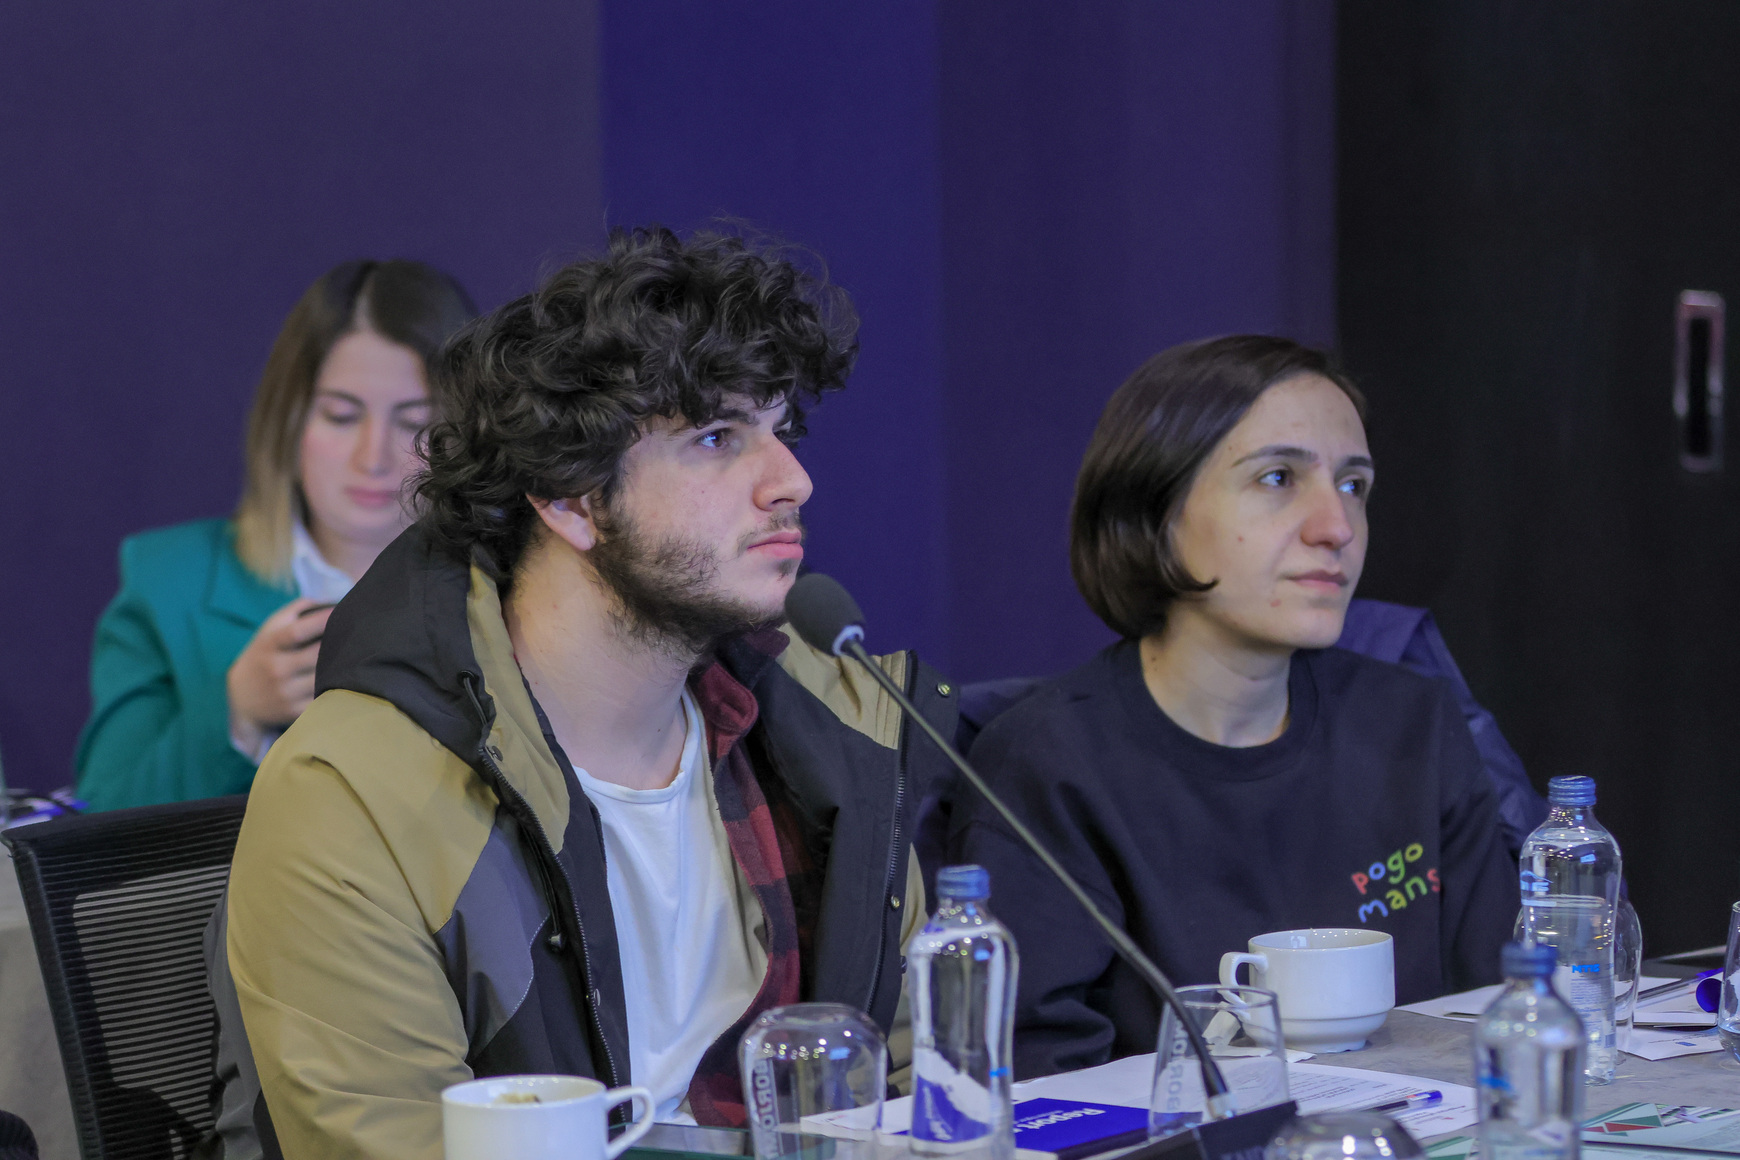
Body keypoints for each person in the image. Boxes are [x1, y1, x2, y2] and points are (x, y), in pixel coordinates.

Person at [205, 227, 954, 1160]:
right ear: (569, 497)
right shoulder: (353, 790)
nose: (791, 481)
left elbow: (913, 1099)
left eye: (781, 431)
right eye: (717, 437)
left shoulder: (833, 734)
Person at [949, 335, 1519, 1078]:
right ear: (1155, 513)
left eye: (1353, 485)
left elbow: (1504, 1012)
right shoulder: (1045, 765)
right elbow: (1039, 1093)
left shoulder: (1415, 721)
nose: (1337, 527)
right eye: (1278, 477)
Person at [74, 260, 476, 811]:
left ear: (463, 434)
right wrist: (237, 713)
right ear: (285, 422)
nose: (373, 457)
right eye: (341, 416)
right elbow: (99, 826)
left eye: (415, 422)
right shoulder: (167, 581)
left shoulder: (513, 588)